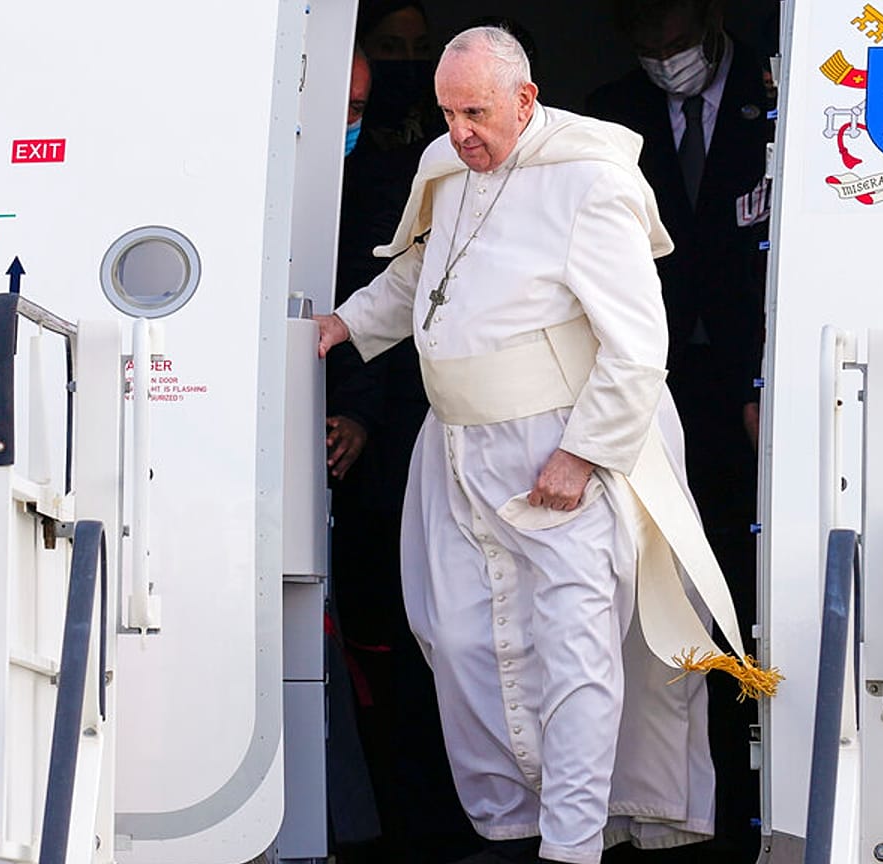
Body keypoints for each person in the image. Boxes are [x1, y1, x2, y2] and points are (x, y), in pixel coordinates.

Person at [316, 26, 771, 864]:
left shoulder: (592, 180)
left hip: (563, 448)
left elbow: (638, 344)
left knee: (574, 647)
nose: (459, 132)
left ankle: (572, 845)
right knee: (459, 637)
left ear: (525, 100)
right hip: (455, 453)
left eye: (477, 112)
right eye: (449, 113)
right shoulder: (450, 169)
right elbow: (421, 275)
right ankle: (519, 825)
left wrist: (582, 453)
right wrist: (343, 325)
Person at [585, 2, 776, 861]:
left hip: (750, 393)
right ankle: (662, 804)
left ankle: (744, 805)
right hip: (645, 388)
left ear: (711, 20)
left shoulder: (783, 88)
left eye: (676, 39)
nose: (665, 58)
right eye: (646, 43)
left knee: (743, 586)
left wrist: (753, 383)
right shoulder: (605, 112)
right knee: (653, 595)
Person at [327, 13, 480, 864]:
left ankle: (419, 831)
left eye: (363, 101)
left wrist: (360, 415)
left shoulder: (397, 179)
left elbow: (400, 309)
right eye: (343, 103)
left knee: (416, 641)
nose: (358, 116)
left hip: (378, 448)